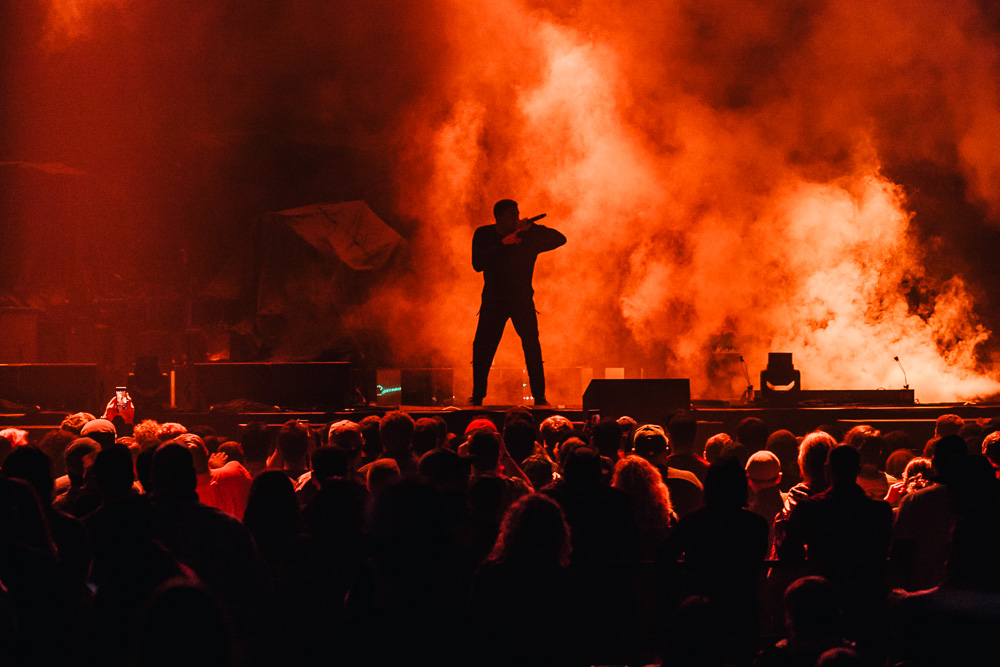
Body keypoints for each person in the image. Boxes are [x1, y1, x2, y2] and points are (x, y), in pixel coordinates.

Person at [471, 199, 566, 406]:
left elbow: (560, 239)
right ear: (498, 217)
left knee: (532, 346)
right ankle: (477, 395)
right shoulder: (484, 234)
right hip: (494, 300)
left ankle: (539, 397)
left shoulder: (528, 236)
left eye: (517, 214)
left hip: (522, 299)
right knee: (483, 347)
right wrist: (502, 244)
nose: (516, 218)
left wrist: (532, 228)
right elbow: (477, 264)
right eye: (511, 215)